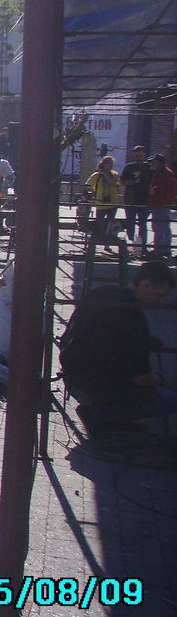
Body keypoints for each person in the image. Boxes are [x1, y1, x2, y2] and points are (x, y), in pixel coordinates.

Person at [60, 261, 177, 438]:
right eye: (159, 295)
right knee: (170, 400)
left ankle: (110, 416)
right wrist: (163, 380)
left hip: (72, 377)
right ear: (146, 285)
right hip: (95, 388)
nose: (159, 301)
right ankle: (105, 416)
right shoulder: (133, 318)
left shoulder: (102, 292)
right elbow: (142, 379)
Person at [120, 145, 153, 248]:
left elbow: (153, 182)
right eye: (137, 154)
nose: (139, 156)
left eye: (141, 154)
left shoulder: (149, 167)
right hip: (130, 198)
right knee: (130, 222)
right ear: (134, 155)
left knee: (143, 223)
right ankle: (130, 244)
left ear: (144, 155)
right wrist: (131, 182)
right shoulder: (129, 167)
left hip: (144, 199)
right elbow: (122, 181)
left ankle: (142, 245)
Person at [147, 153, 176, 259]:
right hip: (166, 203)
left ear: (158, 162)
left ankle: (158, 251)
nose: (152, 163)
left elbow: (157, 188)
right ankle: (166, 249)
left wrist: (152, 190)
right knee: (166, 227)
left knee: (158, 227)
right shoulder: (169, 172)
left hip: (159, 203)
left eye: (154, 161)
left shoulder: (161, 173)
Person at [85, 155, 120, 234]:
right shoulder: (97, 175)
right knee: (99, 223)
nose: (111, 166)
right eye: (109, 163)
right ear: (103, 164)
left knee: (110, 224)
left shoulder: (114, 174)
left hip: (112, 203)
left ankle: (107, 244)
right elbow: (88, 185)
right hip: (101, 203)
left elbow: (115, 183)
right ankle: (96, 239)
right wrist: (91, 194)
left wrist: (106, 174)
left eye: (112, 164)